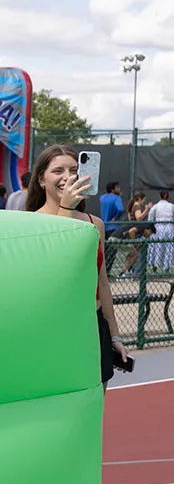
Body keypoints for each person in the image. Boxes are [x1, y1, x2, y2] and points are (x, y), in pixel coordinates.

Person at [26, 145, 128, 385]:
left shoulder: (95, 224)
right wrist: (66, 210)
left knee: (93, 407)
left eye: (74, 169)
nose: (67, 177)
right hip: (51, 326)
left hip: (92, 325)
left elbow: (101, 283)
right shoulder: (30, 223)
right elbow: (54, 268)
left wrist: (114, 334)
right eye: (57, 170)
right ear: (41, 180)